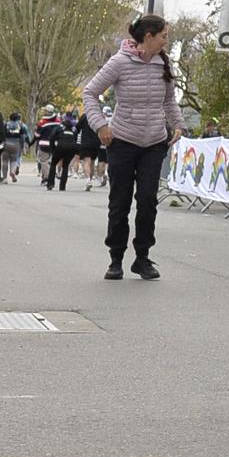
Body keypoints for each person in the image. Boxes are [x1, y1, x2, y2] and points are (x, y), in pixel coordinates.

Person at [82, 15, 185, 279]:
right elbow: (90, 93)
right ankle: (115, 258)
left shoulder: (163, 62)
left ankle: (142, 258)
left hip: (154, 142)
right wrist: (100, 125)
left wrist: (178, 124)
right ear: (149, 36)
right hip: (123, 141)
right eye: (164, 36)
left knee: (148, 200)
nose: (166, 41)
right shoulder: (119, 62)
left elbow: (169, 100)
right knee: (120, 202)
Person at [74, 111, 109, 190]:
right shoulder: (100, 116)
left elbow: (77, 127)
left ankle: (88, 180)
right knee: (92, 162)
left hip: (86, 142)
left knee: (87, 161)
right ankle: (91, 179)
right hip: (96, 142)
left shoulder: (85, 116)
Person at [1, 112, 31, 183]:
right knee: (14, 160)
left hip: (6, 143)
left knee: (5, 161)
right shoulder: (20, 125)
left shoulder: (6, 124)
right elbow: (23, 137)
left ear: (10, 117)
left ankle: (5, 178)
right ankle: (12, 172)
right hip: (16, 144)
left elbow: (2, 134)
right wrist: (23, 145)